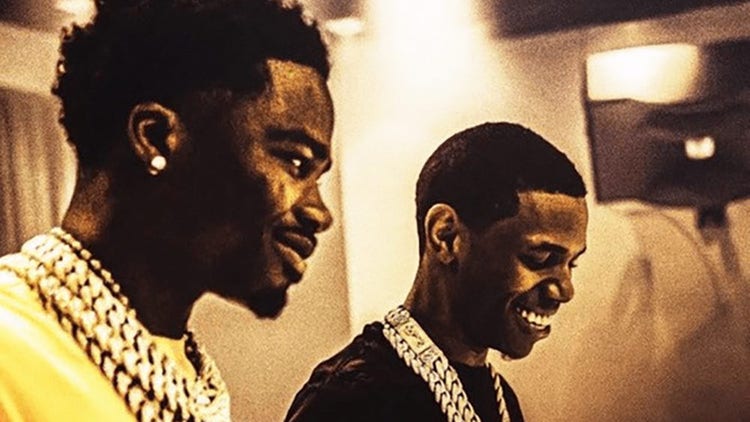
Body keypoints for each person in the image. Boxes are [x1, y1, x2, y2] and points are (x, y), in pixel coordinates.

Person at [0, 0, 334, 420]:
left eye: (318, 176)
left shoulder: (188, 377)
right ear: (155, 138)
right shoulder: (10, 350)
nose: (320, 213)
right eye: (296, 161)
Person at [285, 122, 589, 422]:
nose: (565, 290)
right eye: (540, 258)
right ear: (446, 236)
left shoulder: (499, 397)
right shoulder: (351, 400)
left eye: (571, 264)